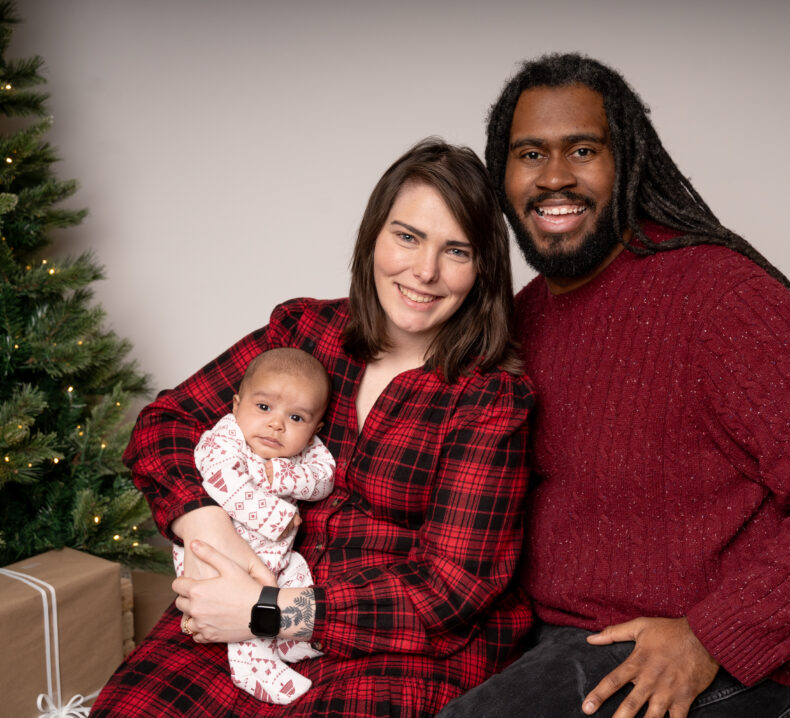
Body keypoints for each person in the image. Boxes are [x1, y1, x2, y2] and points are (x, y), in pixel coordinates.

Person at [436, 53, 790, 718]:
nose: (554, 176)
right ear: (503, 176)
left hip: (722, 652)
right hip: (569, 635)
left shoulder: (717, 296)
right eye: (530, 154)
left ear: (629, 161)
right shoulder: (523, 318)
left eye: (582, 150)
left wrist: (710, 637)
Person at [90, 138, 535, 718]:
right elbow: (166, 423)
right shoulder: (306, 333)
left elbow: (449, 591)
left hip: (398, 642)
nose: (425, 271)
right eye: (407, 237)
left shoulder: (491, 399)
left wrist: (270, 611)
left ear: (483, 267)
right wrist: (208, 527)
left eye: (457, 250)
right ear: (373, 236)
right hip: (245, 593)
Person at [175, 347, 336, 704]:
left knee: (298, 575)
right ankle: (251, 663)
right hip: (220, 550)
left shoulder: (307, 450)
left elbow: (324, 478)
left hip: (278, 556)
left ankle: (291, 641)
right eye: (263, 408)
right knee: (239, 595)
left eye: (296, 418)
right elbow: (220, 481)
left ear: (314, 429)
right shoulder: (226, 437)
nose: (277, 424)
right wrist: (275, 516)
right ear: (236, 405)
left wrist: (283, 474)